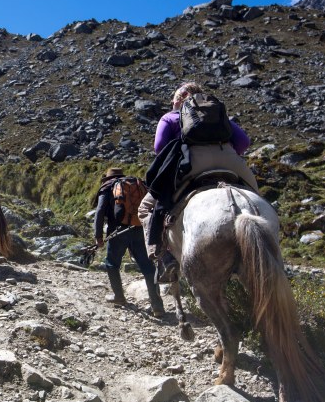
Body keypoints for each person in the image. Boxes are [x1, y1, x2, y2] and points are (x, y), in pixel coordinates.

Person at [139, 82, 259, 282]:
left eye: (174, 99)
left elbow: (159, 147)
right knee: (255, 199)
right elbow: (244, 142)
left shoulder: (171, 117)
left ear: (182, 97)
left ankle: (164, 257)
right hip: (229, 159)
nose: (172, 103)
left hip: (193, 163)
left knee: (146, 208)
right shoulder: (217, 115)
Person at [93, 167, 165, 317]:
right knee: (148, 267)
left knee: (112, 264)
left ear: (107, 178)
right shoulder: (136, 185)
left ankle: (119, 297)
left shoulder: (107, 187)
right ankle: (157, 306)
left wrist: (98, 236)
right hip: (139, 229)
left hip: (117, 231)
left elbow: (99, 211)